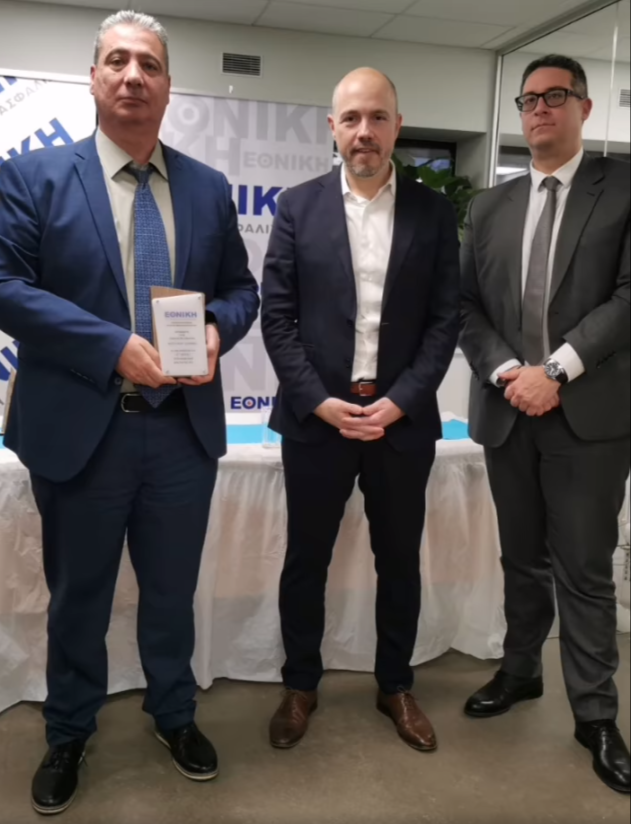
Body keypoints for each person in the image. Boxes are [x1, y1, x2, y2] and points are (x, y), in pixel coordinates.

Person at [0, 10, 259, 816]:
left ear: (169, 86)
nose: (133, 75)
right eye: (117, 61)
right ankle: (69, 729)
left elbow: (241, 291)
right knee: (79, 596)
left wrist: (219, 329)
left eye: (149, 63)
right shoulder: (35, 177)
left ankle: (174, 714)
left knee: (172, 593)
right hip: (82, 433)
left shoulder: (208, 188)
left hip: (181, 431)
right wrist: (110, 346)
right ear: (94, 78)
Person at [262, 68, 460, 753]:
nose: (364, 131)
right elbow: (278, 319)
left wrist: (401, 402)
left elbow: (444, 321)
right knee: (305, 560)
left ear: (397, 126)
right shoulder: (297, 207)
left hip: (400, 424)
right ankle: (300, 684)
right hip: (318, 422)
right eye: (351, 118)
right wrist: (318, 402)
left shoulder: (434, 213)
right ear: (333, 128)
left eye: (377, 117)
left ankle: (395, 685)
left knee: (399, 560)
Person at [460, 54, 630, 795]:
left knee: (584, 569)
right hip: (509, 411)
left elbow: (628, 297)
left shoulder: (622, 188)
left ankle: (595, 714)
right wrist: (510, 373)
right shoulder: (488, 207)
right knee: (521, 558)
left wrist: (554, 371)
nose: (539, 110)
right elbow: (467, 307)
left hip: (587, 417)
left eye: (555, 96)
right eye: (528, 100)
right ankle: (521, 670)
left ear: (585, 108)